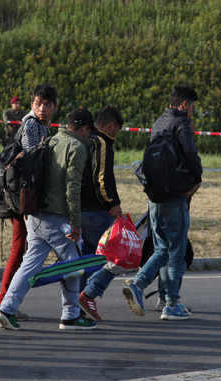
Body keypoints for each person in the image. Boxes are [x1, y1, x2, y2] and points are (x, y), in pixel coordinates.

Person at [0, 107, 96, 331]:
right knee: (72, 264)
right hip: (57, 216)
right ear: (85, 129)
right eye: (89, 131)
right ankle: (71, 315)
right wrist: (76, 223)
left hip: (34, 213)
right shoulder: (77, 146)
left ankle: (6, 308)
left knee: (28, 264)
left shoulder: (50, 139)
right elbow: (73, 187)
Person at [122, 84, 203, 321]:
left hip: (154, 196)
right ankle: (170, 304)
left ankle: (144, 288)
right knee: (176, 251)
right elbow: (188, 151)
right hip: (175, 196)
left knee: (162, 249)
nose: (192, 112)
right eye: (192, 107)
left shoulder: (159, 122)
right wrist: (197, 179)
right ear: (185, 104)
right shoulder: (180, 123)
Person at [0, 84, 57, 320]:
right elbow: (31, 164)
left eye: (47, 104)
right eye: (38, 104)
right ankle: (3, 300)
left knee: (23, 248)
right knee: (19, 249)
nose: (42, 108)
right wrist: (30, 205)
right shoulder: (31, 124)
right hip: (22, 197)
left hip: (23, 196)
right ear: (31, 105)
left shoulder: (42, 127)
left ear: (54, 107)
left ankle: (4, 299)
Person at [76, 106, 125, 322]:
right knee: (118, 256)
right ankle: (89, 294)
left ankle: (76, 308)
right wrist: (112, 203)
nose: (116, 134)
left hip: (80, 211)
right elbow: (101, 179)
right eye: (118, 129)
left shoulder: (84, 140)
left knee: (86, 260)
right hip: (97, 210)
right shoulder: (102, 143)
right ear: (112, 125)